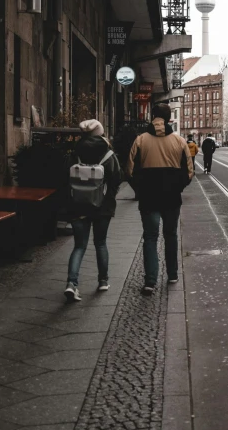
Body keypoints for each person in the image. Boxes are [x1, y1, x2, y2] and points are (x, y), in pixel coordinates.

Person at [126, 104, 193, 295]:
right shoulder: (179, 141)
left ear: (152, 117)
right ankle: (172, 274)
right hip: (171, 199)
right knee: (170, 236)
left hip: (148, 198)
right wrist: (176, 187)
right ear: (169, 119)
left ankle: (150, 281)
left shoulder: (140, 140)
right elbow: (189, 172)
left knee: (150, 237)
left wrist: (140, 189)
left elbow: (129, 170)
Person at [64, 119, 122, 303]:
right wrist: (108, 197)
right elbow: (117, 178)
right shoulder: (108, 154)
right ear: (101, 133)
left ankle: (72, 284)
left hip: (78, 205)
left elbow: (65, 177)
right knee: (101, 243)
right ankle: (103, 281)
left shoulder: (75, 152)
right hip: (102, 207)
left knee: (79, 246)